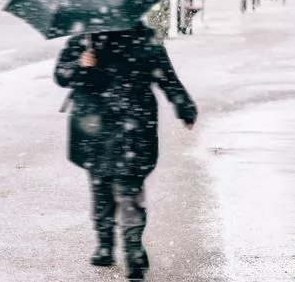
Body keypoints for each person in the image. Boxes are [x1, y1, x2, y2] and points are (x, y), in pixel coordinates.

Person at [53, 22, 198, 281]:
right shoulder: (98, 39)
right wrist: (80, 65)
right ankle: (117, 247)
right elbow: (61, 75)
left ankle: (122, 248)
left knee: (111, 185)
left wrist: (183, 105)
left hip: (117, 124)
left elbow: (165, 74)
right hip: (117, 124)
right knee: (118, 186)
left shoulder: (95, 36)